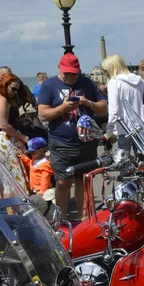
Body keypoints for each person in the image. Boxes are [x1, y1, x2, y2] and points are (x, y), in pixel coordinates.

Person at [37, 53, 108, 220]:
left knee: (84, 181)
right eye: (66, 73)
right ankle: (61, 221)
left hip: (86, 143)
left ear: (79, 71)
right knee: (63, 182)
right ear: (59, 69)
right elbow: (43, 114)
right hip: (61, 143)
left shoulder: (87, 83)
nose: (69, 77)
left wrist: (89, 103)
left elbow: (103, 108)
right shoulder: (49, 85)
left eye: (73, 73)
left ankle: (85, 219)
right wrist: (63, 108)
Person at [101, 54, 144, 151]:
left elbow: (113, 110)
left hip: (123, 128)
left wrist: (109, 131)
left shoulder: (114, 82)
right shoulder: (139, 80)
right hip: (141, 126)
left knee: (125, 161)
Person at [0, 73, 33, 192]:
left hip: (5, 139)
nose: (14, 92)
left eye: (17, 90)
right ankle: (17, 207)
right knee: (15, 177)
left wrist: (18, 121)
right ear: (4, 84)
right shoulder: (0, 100)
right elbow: (4, 125)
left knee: (11, 178)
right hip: (6, 141)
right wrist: (22, 137)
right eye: (13, 89)